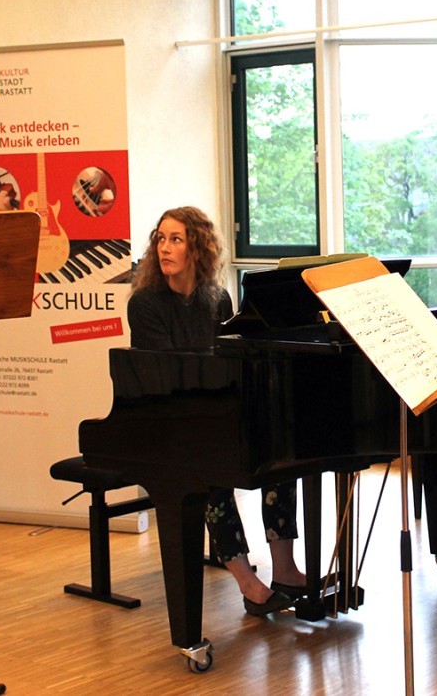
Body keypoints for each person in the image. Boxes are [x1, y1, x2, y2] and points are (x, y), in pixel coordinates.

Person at [126, 206, 305, 616]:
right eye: (161, 239)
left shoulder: (216, 297)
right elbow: (167, 376)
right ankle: (248, 583)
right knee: (210, 475)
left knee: (283, 460)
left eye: (176, 239)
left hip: (213, 414)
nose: (164, 248)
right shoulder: (146, 304)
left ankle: (285, 569)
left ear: (198, 248)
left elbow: (229, 361)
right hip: (168, 420)